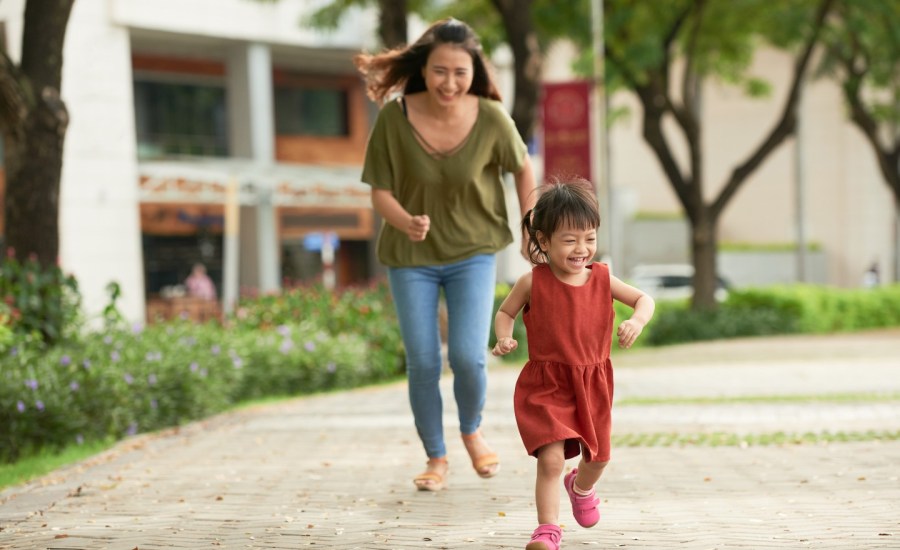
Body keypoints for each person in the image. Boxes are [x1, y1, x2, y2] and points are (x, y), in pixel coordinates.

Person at [355, 17, 537, 491]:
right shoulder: (394, 118)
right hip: (409, 257)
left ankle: (471, 430)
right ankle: (436, 457)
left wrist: (528, 224)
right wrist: (405, 220)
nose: (450, 83)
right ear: (424, 67)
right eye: (440, 71)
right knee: (423, 360)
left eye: (460, 72)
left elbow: (522, 168)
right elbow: (380, 192)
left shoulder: (492, 117)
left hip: (473, 251)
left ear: (473, 70)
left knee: (468, 356)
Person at [492, 179, 655, 550]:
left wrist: (636, 321)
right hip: (547, 384)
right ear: (544, 241)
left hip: (592, 382)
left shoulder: (602, 278)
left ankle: (580, 487)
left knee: (598, 459)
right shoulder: (532, 281)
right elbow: (505, 312)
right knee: (549, 459)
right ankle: (548, 530)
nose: (582, 248)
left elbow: (644, 298)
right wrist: (504, 336)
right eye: (569, 240)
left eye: (589, 238)